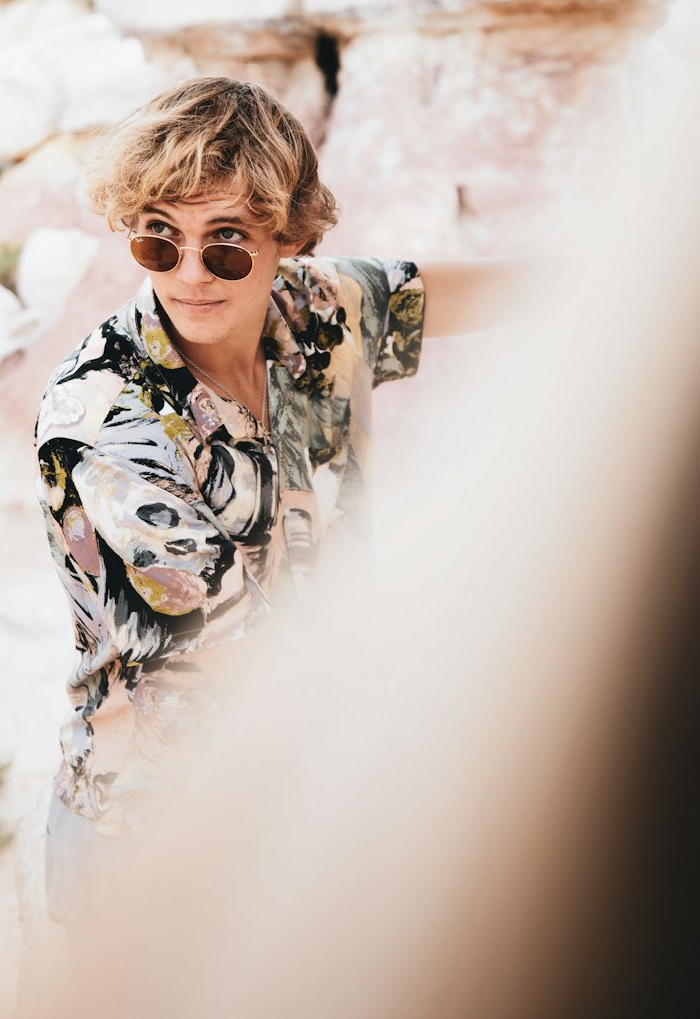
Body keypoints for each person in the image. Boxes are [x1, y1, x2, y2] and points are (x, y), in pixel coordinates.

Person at [33, 75, 544, 931]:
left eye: (226, 242)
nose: (190, 275)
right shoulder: (103, 420)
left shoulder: (317, 309)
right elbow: (252, 656)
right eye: (159, 241)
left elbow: (471, 293)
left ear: (288, 240)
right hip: (153, 846)